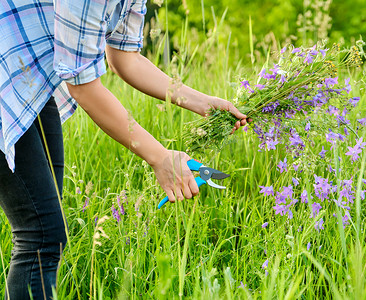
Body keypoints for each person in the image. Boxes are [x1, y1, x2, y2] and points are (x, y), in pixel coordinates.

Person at [0, 0, 248, 298]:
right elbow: (83, 86)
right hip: (8, 74)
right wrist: (160, 157)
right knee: (41, 235)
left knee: (48, 231)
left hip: (29, 78)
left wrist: (200, 101)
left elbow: (125, 58)